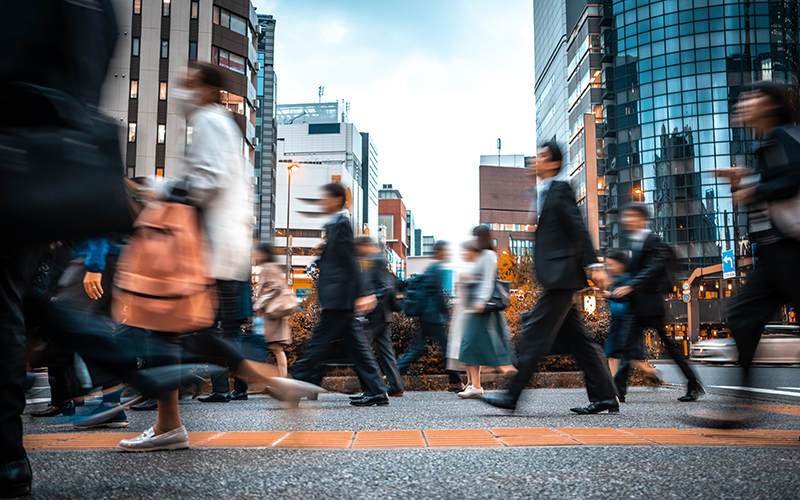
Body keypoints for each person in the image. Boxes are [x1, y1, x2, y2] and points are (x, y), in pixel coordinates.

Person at [117, 63, 317, 452]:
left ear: (208, 90)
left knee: (166, 329)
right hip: (219, 248)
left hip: (202, 249)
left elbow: (207, 183)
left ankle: (171, 425)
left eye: (188, 84)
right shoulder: (221, 125)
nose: (182, 91)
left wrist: (158, 189)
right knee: (189, 334)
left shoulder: (209, 121)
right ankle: (270, 385)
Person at [480, 141, 619, 414]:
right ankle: (605, 397)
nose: (536, 160)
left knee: (534, 334)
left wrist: (593, 264)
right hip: (557, 276)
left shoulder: (560, 189)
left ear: (554, 163)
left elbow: (577, 228)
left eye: (542, 156)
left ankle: (511, 396)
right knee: (580, 342)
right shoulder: (541, 192)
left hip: (562, 276)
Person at [715, 82, 800, 417]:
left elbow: (793, 179)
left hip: (791, 250)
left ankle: (743, 404)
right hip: (772, 255)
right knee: (741, 318)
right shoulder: (768, 144)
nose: (743, 104)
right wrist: (748, 178)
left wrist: (753, 188)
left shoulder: (784, 135)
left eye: (752, 98)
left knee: (742, 318)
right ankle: (744, 403)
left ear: (771, 104)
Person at [290, 183, 389, 407]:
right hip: (339, 297)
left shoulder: (341, 224)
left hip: (340, 297)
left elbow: (350, 261)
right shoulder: (333, 225)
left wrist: (363, 293)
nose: (322, 202)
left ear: (336, 199)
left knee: (317, 344)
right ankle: (377, 390)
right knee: (357, 348)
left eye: (325, 197)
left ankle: (295, 385)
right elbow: (338, 260)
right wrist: (322, 254)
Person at [611, 203, 702, 402]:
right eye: (626, 216)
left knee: (670, 349)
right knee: (626, 349)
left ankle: (693, 384)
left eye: (631, 216)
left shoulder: (652, 240)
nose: (627, 220)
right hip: (639, 306)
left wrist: (630, 286)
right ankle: (618, 390)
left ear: (643, 219)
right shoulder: (636, 242)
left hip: (651, 306)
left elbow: (653, 269)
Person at [397, 241, 465, 393]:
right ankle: (455, 382)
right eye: (446, 251)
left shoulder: (431, 268)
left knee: (417, 349)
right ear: (440, 252)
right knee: (445, 349)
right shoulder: (436, 269)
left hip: (426, 315)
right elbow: (439, 296)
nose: (448, 254)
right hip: (433, 317)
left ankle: (394, 374)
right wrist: (447, 317)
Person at [457, 226, 515, 399]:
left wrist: (481, 302)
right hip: (474, 307)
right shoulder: (482, 255)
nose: (473, 239)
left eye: (475, 236)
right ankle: (475, 384)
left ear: (481, 237)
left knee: (470, 345)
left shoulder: (488, 255)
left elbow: (488, 281)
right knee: (472, 345)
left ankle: (480, 383)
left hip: (480, 307)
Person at [602, 249, 659, 402]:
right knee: (613, 355)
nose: (610, 267)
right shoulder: (614, 280)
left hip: (628, 322)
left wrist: (610, 295)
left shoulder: (629, 278)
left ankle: (644, 373)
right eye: (608, 265)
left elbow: (627, 296)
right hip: (616, 322)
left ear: (621, 264)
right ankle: (616, 389)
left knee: (627, 356)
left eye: (612, 264)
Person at [354, 236, 404, 396]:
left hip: (375, 314)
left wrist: (372, 301)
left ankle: (371, 388)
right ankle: (395, 386)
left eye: (358, 248)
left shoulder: (376, 259)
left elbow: (385, 287)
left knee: (361, 350)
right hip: (379, 314)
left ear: (365, 246)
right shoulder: (371, 260)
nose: (357, 252)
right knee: (385, 352)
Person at [253, 242, 292, 378]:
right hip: (274, 314)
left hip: (271, 315)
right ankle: (283, 380)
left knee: (274, 349)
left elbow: (275, 288)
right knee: (276, 350)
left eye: (258, 253)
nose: (256, 255)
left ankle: (282, 381)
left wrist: (259, 303)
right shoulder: (273, 267)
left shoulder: (268, 268)